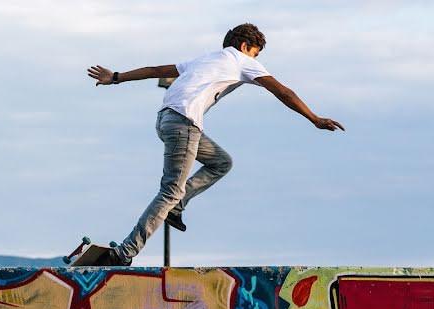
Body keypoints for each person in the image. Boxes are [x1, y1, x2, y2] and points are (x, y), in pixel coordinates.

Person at [85, 23, 344, 266]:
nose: (255, 60)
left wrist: (117, 76)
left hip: (165, 120)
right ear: (245, 47)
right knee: (170, 190)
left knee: (221, 162)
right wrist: (314, 119)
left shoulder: (204, 59)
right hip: (185, 123)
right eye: (255, 53)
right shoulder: (242, 61)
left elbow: (155, 71)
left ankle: (178, 205)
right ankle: (124, 253)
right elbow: (282, 91)